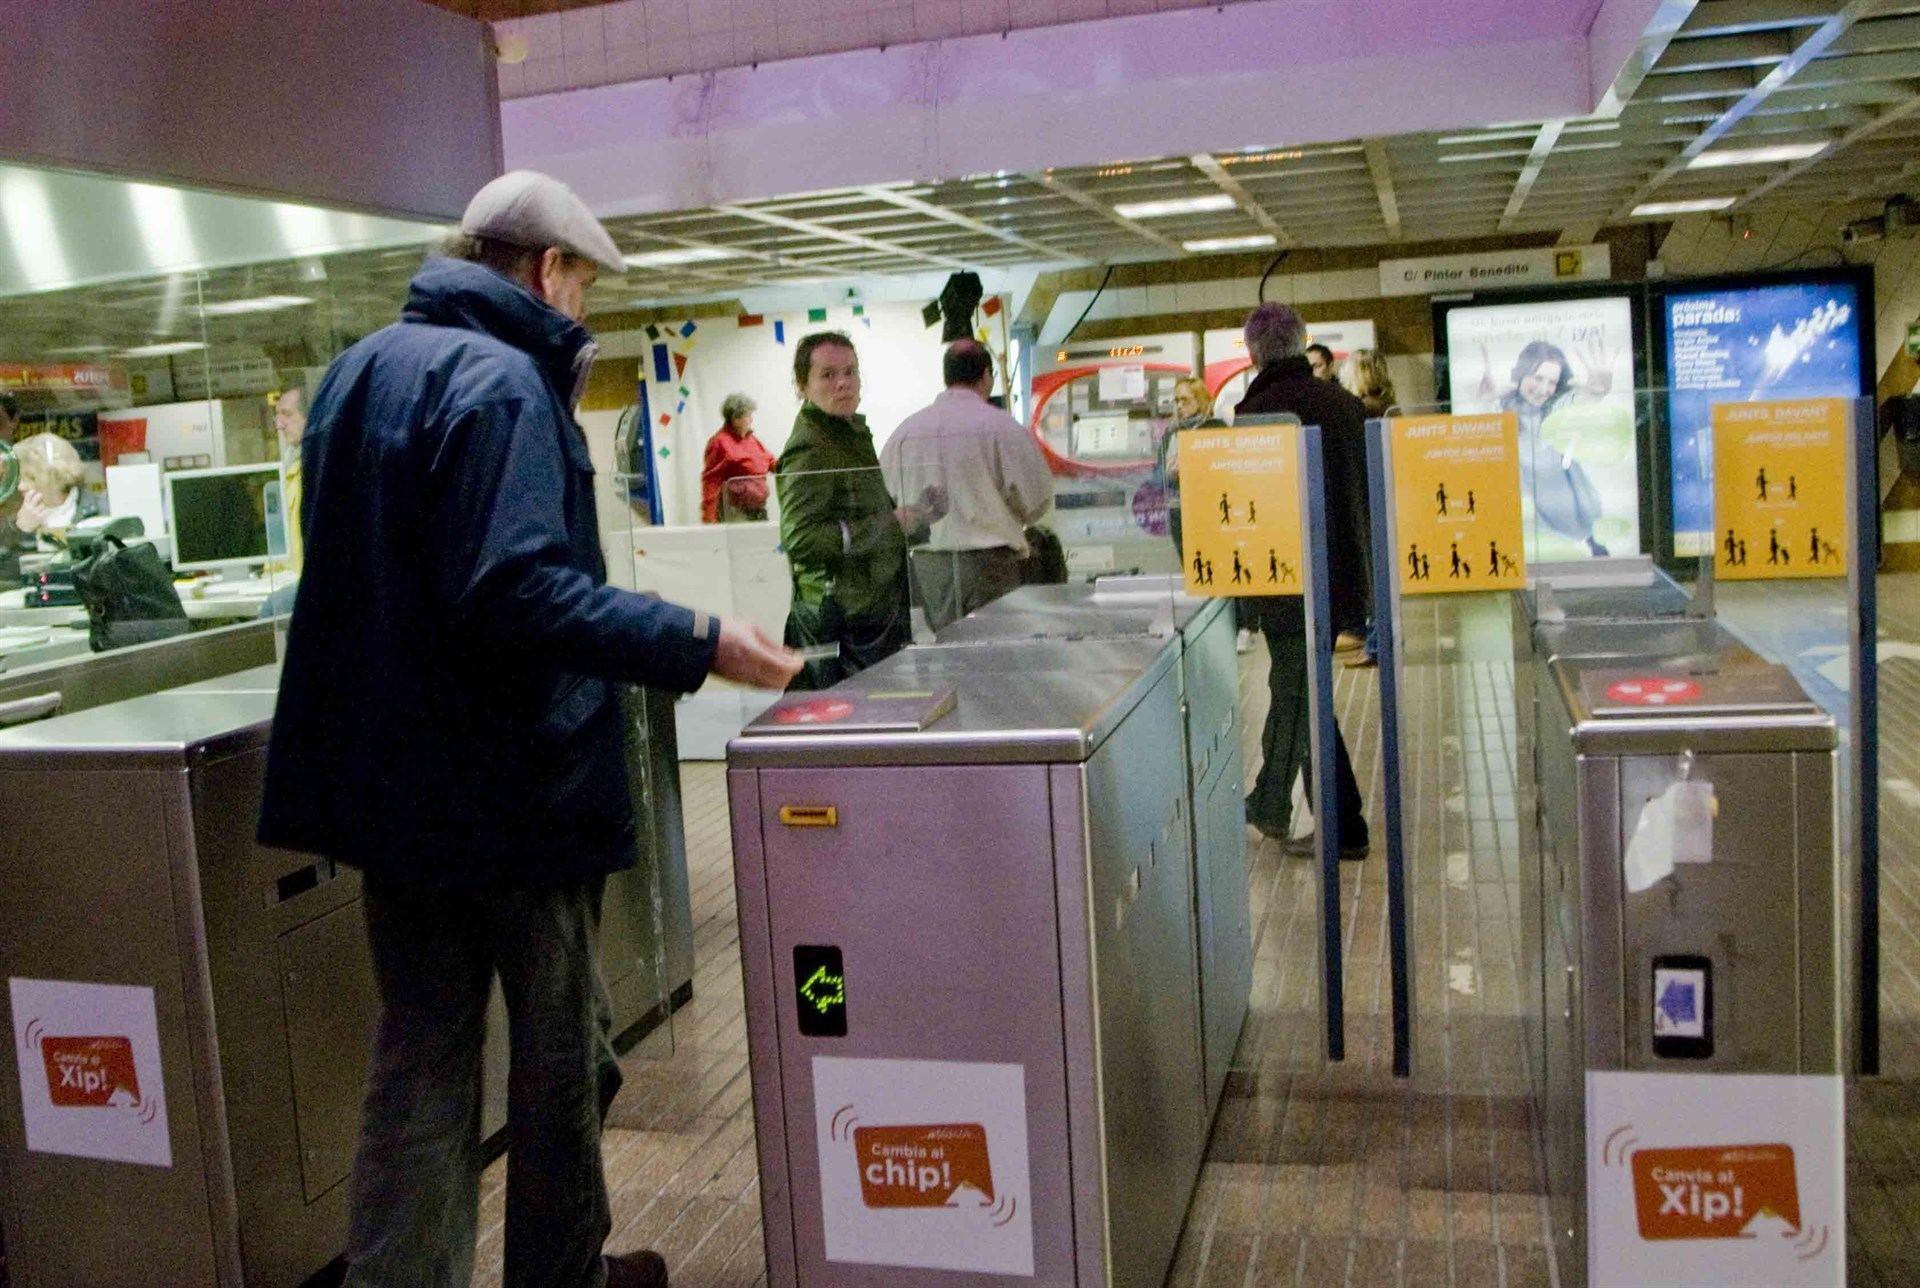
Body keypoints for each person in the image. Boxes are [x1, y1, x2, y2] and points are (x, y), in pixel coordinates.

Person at [257, 170, 801, 1288]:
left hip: (393, 798)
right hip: (513, 791)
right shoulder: (503, 384)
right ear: (548, 271)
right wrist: (697, 638)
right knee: (563, 1063)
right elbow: (514, 592)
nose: (586, 311)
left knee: (419, 1058)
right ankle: (565, 1276)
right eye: (585, 286)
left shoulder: (355, 375)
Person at [1236, 303, 1371, 860]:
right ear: (1301, 343)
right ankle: (1339, 825)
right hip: (1343, 573)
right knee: (1303, 693)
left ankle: (1276, 803)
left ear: (1252, 354)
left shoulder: (1256, 412)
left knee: (1294, 689)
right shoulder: (1345, 405)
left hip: (1283, 577)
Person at [777, 330, 945, 687]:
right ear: (802, 385)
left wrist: (918, 515)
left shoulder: (847, 432)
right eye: (828, 375)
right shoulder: (810, 447)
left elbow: (865, 515)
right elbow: (801, 538)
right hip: (842, 621)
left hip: (869, 612)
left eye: (850, 372)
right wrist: (891, 524)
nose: (843, 384)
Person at [881, 340, 1052, 632]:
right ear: (987, 375)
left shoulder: (904, 432)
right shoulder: (1002, 427)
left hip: (928, 568)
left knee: (948, 660)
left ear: (946, 377)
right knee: (997, 657)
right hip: (991, 566)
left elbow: (886, 502)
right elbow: (1035, 500)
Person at [1474, 338, 1614, 557]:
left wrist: (1596, 393)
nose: (1543, 389)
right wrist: (1483, 403)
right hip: (1526, 519)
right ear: (1522, 373)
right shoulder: (1501, 410)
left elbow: (1576, 403)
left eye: (1551, 382)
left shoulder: (1554, 410)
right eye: (1538, 378)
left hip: (1568, 513)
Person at [1341, 349, 1396, 669]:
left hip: (1370, 499)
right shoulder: (1389, 406)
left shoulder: (1365, 409)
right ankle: (1376, 640)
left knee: (1375, 576)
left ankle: (1376, 644)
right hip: (1384, 498)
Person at [700, 393, 776, 522]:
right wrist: (709, 517)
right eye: (748, 415)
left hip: (758, 508)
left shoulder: (752, 439)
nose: (751, 420)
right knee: (744, 542)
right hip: (735, 511)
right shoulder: (719, 442)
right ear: (736, 418)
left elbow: (770, 462)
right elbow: (712, 481)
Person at [11, 432, 97, 541]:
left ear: (59, 476)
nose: (21, 487)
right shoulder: (13, 522)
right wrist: (24, 532)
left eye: (31, 478)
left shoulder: (101, 509)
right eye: (19, 479)